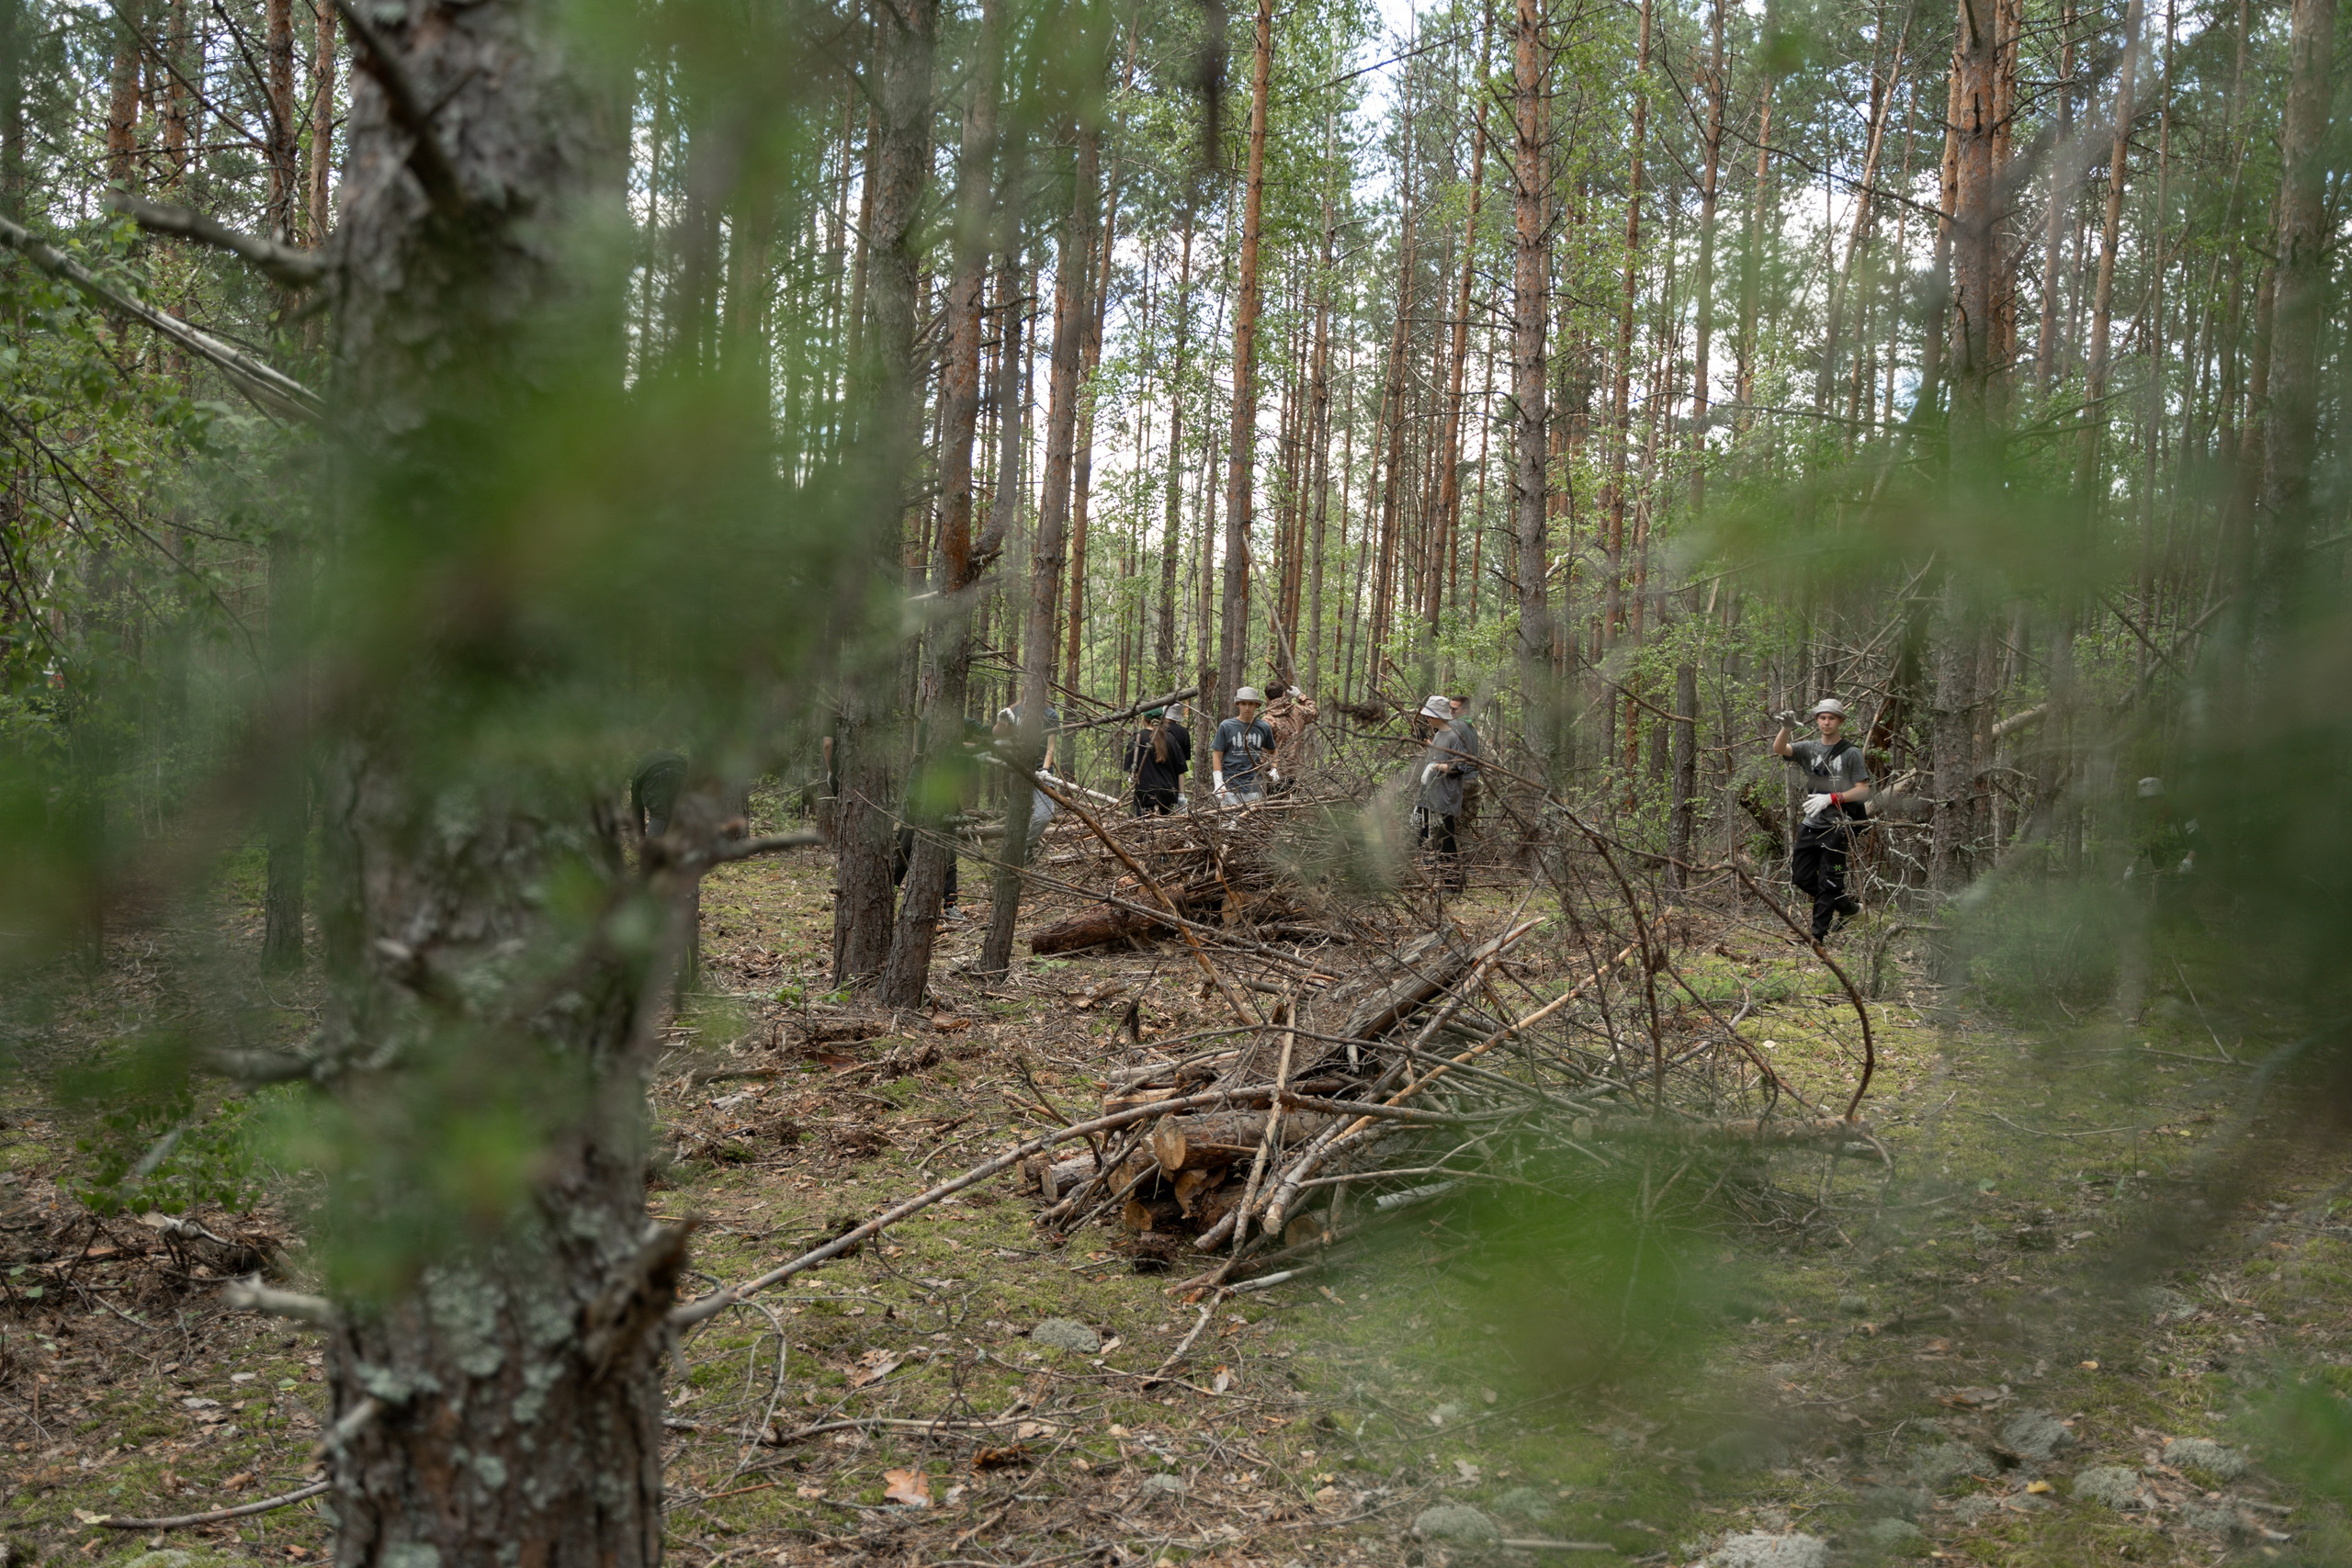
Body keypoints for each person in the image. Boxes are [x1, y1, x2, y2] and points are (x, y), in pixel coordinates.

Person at [1770, 698, 1873, 941]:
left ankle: (1816, 938)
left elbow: (1863, 790)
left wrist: (1832, 799)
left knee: (1832, 878)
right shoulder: (1809, 748)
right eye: (1822, 717)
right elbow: (1779, 749)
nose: (1827, 722)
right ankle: (1847, 908)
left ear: (1840, 721)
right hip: (1811, 825)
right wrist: (1786, 728)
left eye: (1832, 718)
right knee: (1801, 877)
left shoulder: (1851, 753)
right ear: (1817, 720)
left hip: (1837, 828)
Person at [1413, 695, 1470, 894]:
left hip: (1445, 797)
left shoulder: (1455, 736)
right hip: (1431, 795)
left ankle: (1453, 884)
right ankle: (1425, 879)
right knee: (1424, 837)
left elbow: (1461, 766)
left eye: (1430, 715)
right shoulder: (1438, 735)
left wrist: (1436, 767)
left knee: (1445, 840)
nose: (1427, 718)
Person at [1211, 686, 1276, 807]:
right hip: (1230, 786)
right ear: (1238, 704)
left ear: (1256, 705)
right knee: (1228, 824)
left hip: (1255, 787)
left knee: (1252, 823)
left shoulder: (1264, 727)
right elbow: (1217, 754)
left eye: (1251, 704)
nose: (1247, 708)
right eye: (1243, 704)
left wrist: (1274, 768)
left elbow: (1273, 751)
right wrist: (1218, 782)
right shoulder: (1226, 726)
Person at [1123, 705, 1192, 815]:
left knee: (1144, 828)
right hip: (1167, 794)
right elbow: (1180, 771)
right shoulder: (1171, 739)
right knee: (1165, 829)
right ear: (1162, 719)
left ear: (1144, 720)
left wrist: (1133, 778)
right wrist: (1181, 795)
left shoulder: (1137, 738)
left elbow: (1132, 771)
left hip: (1145, 794)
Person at [1259, 682, 1319, 792]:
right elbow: (1315, 712)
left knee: (1274, 805)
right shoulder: (1299, 712)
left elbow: (1262, 750)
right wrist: (1300, 696)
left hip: (1274, 772)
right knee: (1290, 804)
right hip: (1294, 769)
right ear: (1284, 694)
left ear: (1266, 698)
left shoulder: (1266, 721)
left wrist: (1265, 769)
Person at [1446, 695, 1484, 831]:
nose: (1450, 711)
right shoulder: (1471, 726)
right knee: (1463, 828)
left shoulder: (1455, 725)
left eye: (1454, 709)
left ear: (1465, 711)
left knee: (1450, 827)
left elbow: (1440, 745)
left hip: (1461, 781)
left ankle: (1449, 853)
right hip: (1472, 780)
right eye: (1449, 708)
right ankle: (1467, 852)